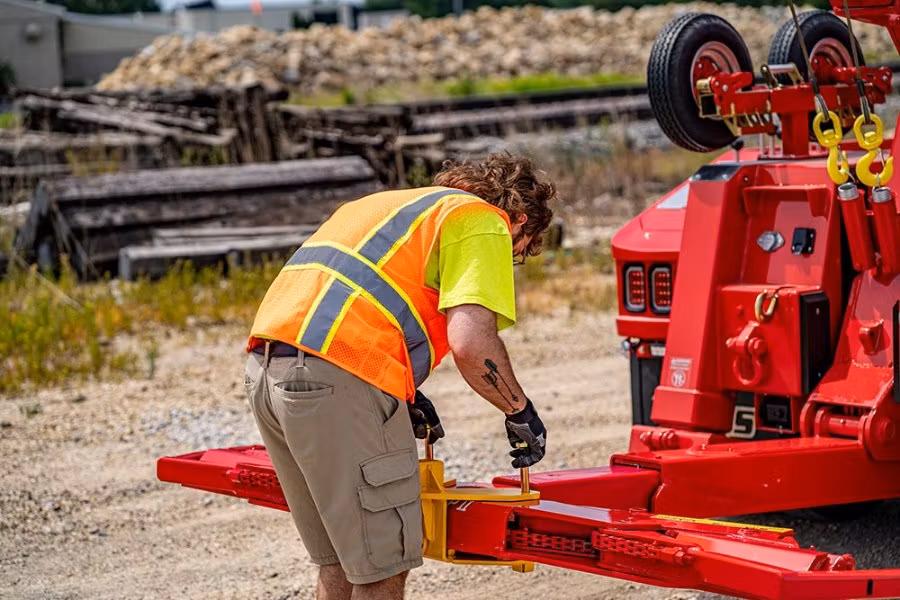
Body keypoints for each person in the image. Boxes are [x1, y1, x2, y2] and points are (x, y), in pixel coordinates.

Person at [243, 151, 555, 600]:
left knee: (342, 562)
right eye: (518, 254)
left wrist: (399, 386)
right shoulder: (484, 220)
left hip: (267, 371)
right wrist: (518, 410)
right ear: (521, 221)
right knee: (381, 568)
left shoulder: (389, 207)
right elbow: (471, 343)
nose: (511, 260)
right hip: (337, 379)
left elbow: (357, 299)